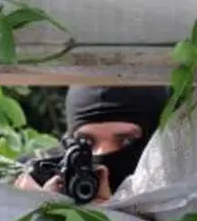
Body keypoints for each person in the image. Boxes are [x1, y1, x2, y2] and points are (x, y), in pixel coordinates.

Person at [14, 86, 169, 202]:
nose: (102, 158)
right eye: (86, 142)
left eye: (126, 140)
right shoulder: (36, 176)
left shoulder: (182, 192)